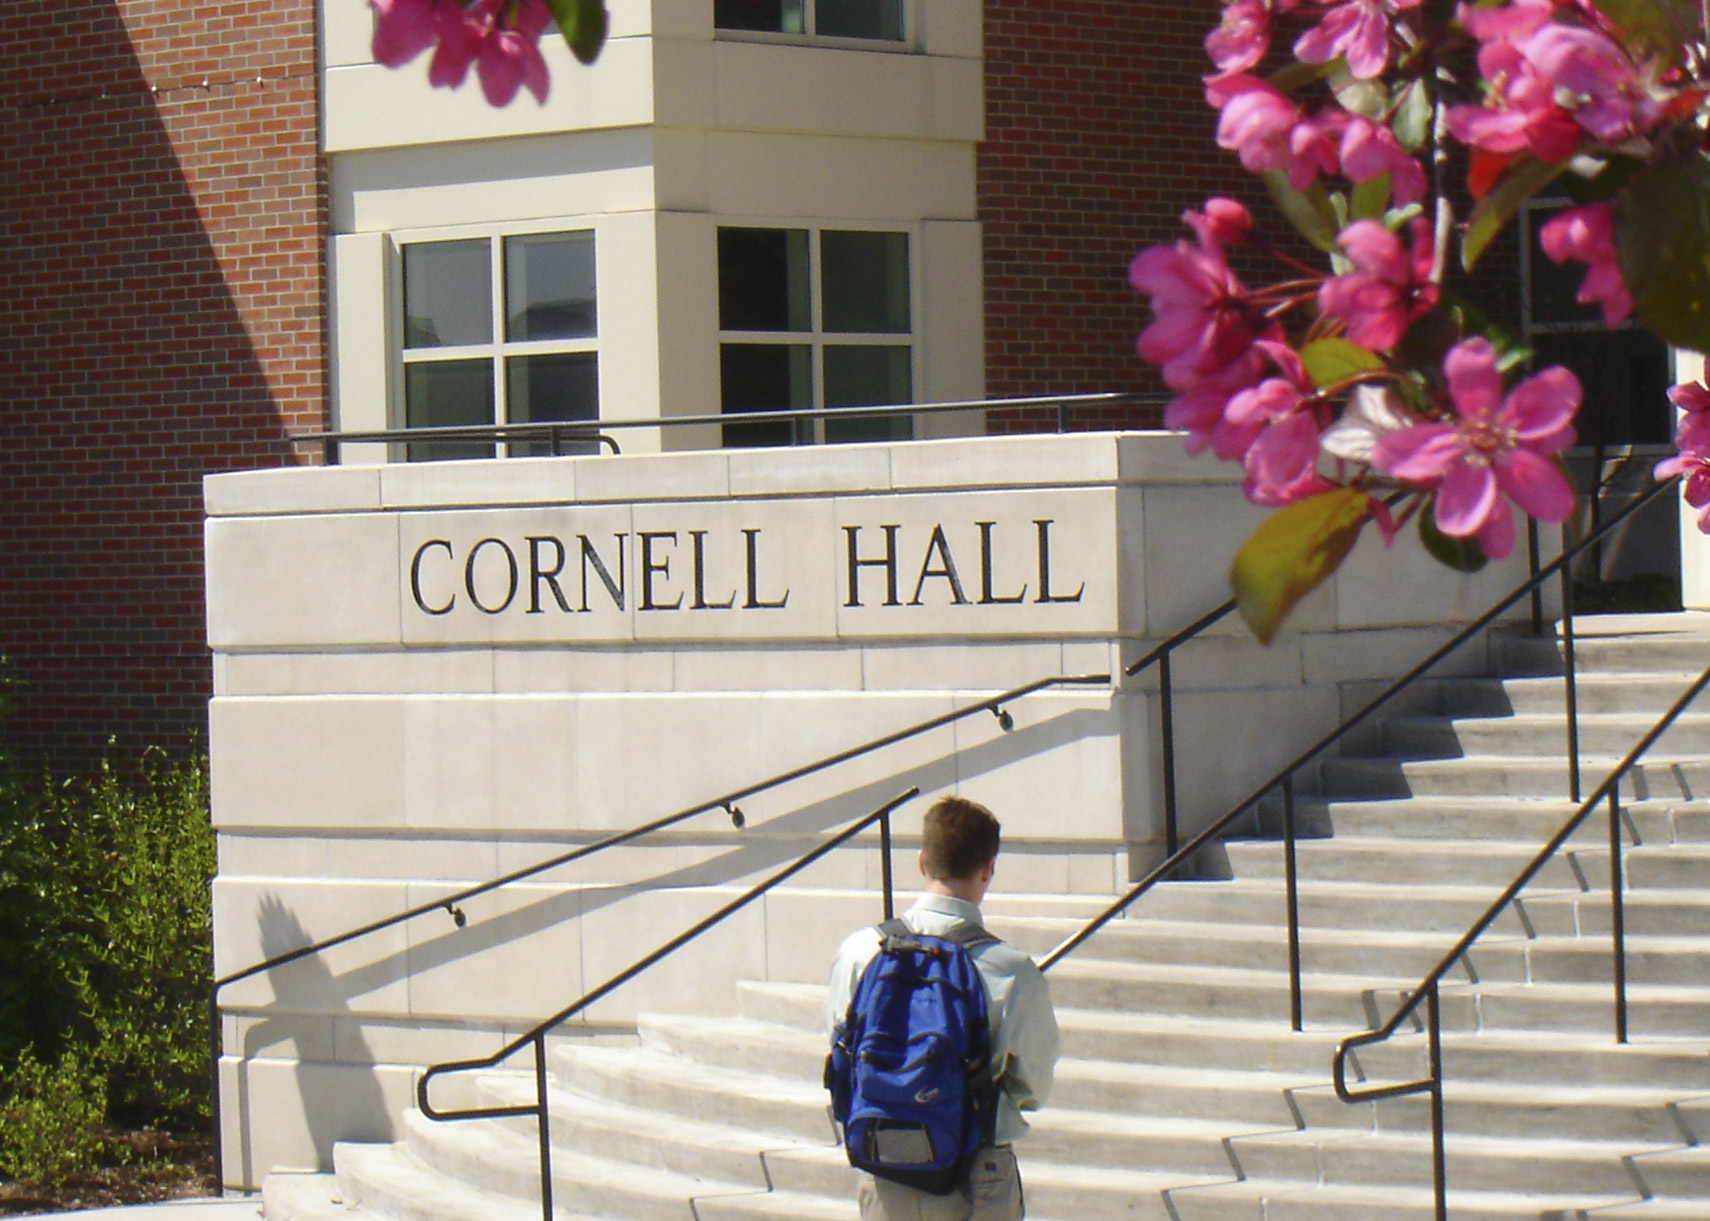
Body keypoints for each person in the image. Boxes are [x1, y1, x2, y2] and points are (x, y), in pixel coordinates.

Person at [826, 796, 1060, 1221]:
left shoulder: (859, 952)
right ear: (988, 868)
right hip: (975, 1175)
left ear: (921, 862)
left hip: (884, 1169)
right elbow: (1033, 1087)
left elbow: (840, 1061)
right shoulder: (1010, 970)